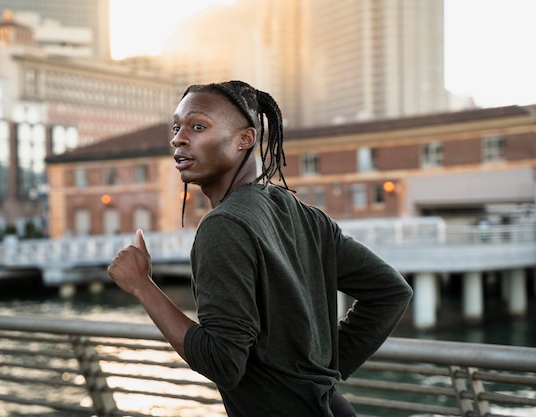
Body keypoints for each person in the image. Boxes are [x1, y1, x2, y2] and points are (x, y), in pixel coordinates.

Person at [107, 80, 413, 417]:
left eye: (197, 126)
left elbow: (222, 362)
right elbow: (391, 291)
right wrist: (318, 377)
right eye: (176, 127)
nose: (179, 138)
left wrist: (142, 286)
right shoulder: (304, 214)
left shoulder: (223, 226)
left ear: (245, 139)